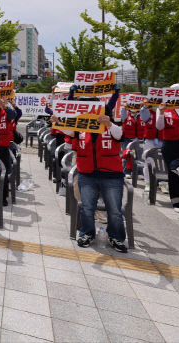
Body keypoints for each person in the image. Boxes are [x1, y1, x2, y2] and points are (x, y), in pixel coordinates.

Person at [55, 94, 128, 252]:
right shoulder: (81, 126)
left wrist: (108, 123)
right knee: (87, 208)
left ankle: (116, 236)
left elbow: (120, 135)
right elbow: (68, 131)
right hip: (87, 174)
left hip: (111, 175)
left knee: (114, 210)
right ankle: (87, 233)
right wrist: (57, 122)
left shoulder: (110, 126)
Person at [155, 84, 179, 214]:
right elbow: (159, 127)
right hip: (171, 144)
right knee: (174, 172)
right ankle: (177, 201)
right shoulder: (164, 107)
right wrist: (162, 112)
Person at [0, 97, 17, 206]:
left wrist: (5, 106)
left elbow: (14, 115)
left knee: (2, 172)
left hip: (2, 147)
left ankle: (3, 197)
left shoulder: (6, 112)